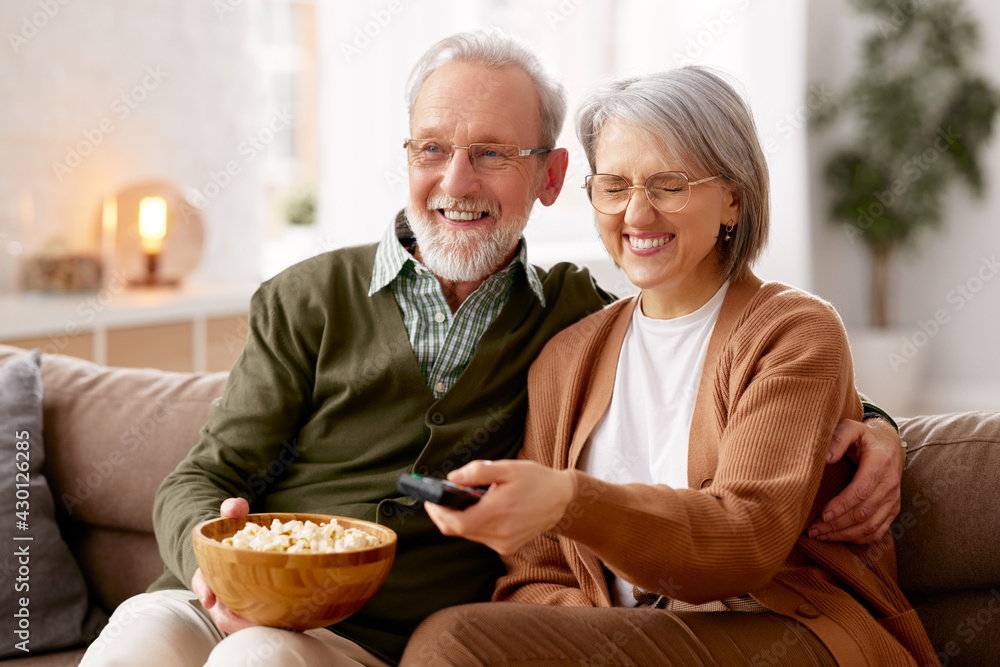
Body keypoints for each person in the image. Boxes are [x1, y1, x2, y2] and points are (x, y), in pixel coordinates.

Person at [80, 32, 907, 667]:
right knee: (144, 638)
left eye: (491, 154)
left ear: (548, 179)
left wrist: (875, 427)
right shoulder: (326, 301)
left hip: (366, 641)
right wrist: (223, 566)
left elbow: (765, 401)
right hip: (227, 598)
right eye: (433, 148)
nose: (456, 181)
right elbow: (206, 476)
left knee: (264, 658)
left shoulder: (563, 316)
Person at [406, 67, 936, 666]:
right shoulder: (566, 358)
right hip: (638, 642)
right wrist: (589, 634)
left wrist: (570, 500)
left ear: (733, 197)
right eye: (613, 185)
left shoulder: (792, 330)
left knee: (452, 642)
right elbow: (537, 573)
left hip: (780, 628)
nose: (637, 214)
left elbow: (746, 537)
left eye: (669, 184)